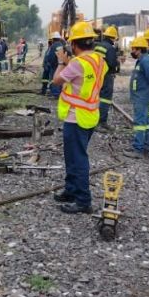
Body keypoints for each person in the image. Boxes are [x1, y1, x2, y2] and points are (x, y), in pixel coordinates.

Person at [52, 22, 107, 214]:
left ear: (74, 45)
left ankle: (83, 201)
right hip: (90, 115)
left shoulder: (76, 64)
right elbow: (83, 78)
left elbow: (57, 80)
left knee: (77, 159)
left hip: (76, 117)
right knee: (73, 156)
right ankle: (71, 190)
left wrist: (61, 62)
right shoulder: (99, 60)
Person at [123, 36, 149, 159]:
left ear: (139, 49)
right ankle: (146, 147)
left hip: (142, 97)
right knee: (145, 123)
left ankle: (138, 149)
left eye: (133, 49)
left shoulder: (145, 61)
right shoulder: (142, 60)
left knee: (139, 123)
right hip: (141, 96)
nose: (132, 51)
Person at [94, 26, 120, 132]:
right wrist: (116, 66)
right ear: (113, 38)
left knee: (96, 97)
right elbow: (111, 63)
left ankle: (95, 120)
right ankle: (102, 121)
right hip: (107, 75)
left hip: (97, 74)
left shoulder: (98, 46)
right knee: (105, 98)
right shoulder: (110, 48)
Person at [41, 32, 64, 97]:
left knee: (53, 79)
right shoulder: (62, 45)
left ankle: (55, 93)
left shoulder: (53, 46)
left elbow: (50, 56)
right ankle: (59, 92)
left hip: (54, 65)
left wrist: (49, 64)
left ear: (53, 39)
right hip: (61, 65)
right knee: (60, 79)